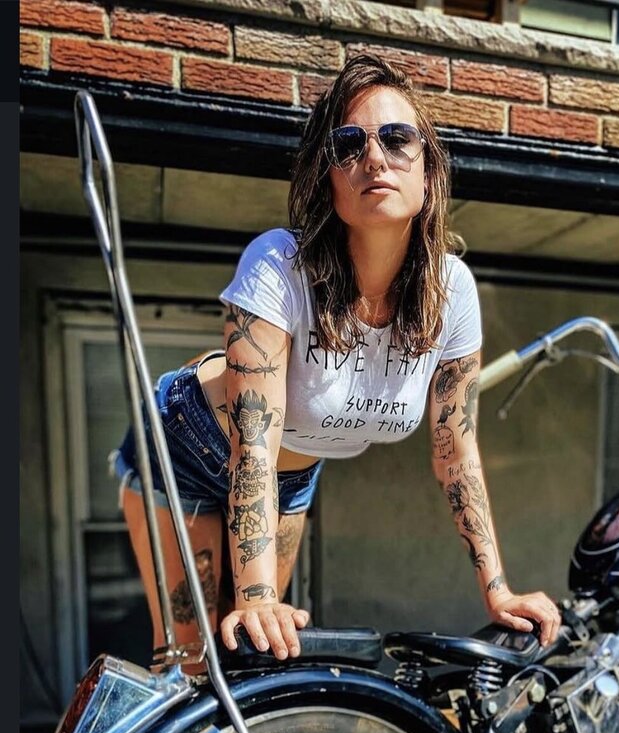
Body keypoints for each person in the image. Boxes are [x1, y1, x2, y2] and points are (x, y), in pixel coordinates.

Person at [112, 54, 562, 664]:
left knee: (254, 658)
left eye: (397, 139)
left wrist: (498, 591)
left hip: (292, 474)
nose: (374, 157)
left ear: (429, 170)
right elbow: (254, 443)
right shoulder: (280, 263)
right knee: (193, 658)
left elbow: (456, 454)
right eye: (349, 144)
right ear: (328, 177)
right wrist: (257, 597)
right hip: (188, 443)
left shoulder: (451, 291)